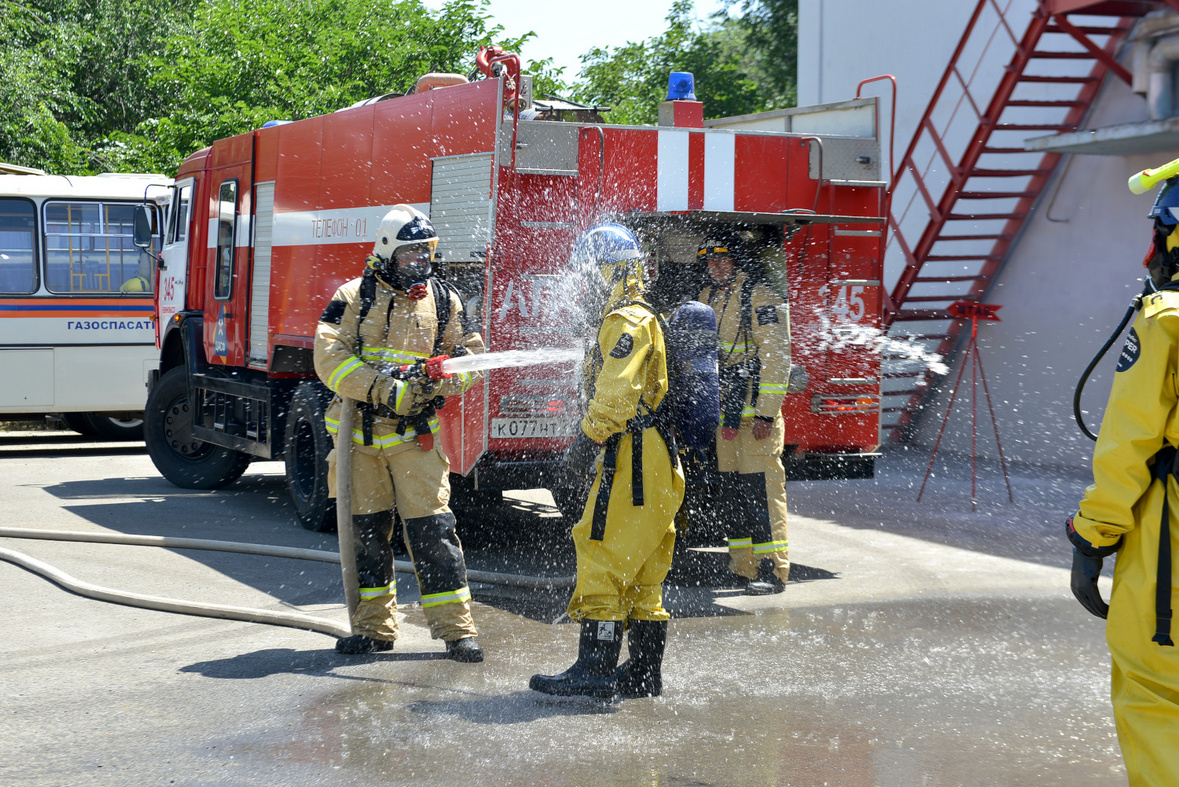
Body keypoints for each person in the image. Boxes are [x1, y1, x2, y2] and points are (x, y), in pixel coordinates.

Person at [313, 204, 485, 662]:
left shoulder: (445, 301)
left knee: (434, 532)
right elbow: (329, 357)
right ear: (387, 252)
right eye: (410, 255)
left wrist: (443, 377)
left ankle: (457, 632)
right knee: (367, 537)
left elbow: (471, 356)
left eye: (426, 253)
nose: (420, 264)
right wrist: (385, 389)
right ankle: (373, 631)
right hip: (359, 443)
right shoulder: (353, 298)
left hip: (416, 440)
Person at [530, 223, 686, 699]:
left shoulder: (625, 320)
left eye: (590, 273)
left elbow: (617, 393)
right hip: (655, 454)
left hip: (633, 455)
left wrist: (586, 436)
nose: (585, 283)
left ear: (608, 271)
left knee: (601, 548)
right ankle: (642, 672)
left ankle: (595, 668)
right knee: (642, 566)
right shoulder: (641, 314)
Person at [1068, 177, 1179, 786]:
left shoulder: (1165, 320)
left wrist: (1092, 538)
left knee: (1157, 689)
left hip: (1172, 544)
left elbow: (1128, 449)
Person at [698, 231, 792, 595]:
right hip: (728, 418)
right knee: (734, 492)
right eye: (710, 260)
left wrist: (767, 415)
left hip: (757, 420)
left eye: (722, 258)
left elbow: (777, 357)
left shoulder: (761, 297)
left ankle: (773, 569)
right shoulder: (707, 299)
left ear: (736, 260)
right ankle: (742, 568)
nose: (716, 266)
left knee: (762, 492)